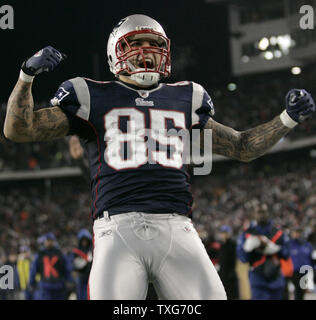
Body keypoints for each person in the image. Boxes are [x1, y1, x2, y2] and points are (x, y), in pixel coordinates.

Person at [3, 14, 315, 300]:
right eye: (135, 44)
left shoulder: (186, 97)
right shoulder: (89, 94)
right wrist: (27, 75)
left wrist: (287, 118)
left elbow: (242, 146)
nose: (146, 52)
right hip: (117, 229)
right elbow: (19, 129)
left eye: (154, 45)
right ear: (115, 52)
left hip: (177, 227)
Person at [237, 203, 290, 300]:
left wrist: (275, 249)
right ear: (254, 214)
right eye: (259, 212)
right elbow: (242, 258)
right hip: (258, 280)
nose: (261, 215)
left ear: (268, 213)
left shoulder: (278, 233)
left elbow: (287, 254)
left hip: (276, 279)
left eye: (263, 212)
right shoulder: (247, 234)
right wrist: (247, 248)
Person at [28, 233, 73, 300]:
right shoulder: (41, 254)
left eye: (51, 240)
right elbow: (33, 269)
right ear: (45, 241)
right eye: (48, 240)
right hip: (46, 286)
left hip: (58, 286)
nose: (49, 242)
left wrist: (69, 281)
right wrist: (32, 282)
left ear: (54, 241)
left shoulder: (59, 253)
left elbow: (67, 268)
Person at [289, 228, 315, 300]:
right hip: (293, 271)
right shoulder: (290, 245)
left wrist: (313, 269)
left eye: (298, 233)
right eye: (295, 233)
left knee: (300, 291)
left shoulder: (307, 245)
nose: (297, 235)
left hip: (304, 271)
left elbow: (311, 258)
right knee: (297, 290)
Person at [217, 225, 239, 300]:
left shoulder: (232, 244)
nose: (223, 234)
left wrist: (232, 272)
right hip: (223, 274)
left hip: (230, 275)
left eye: (225, 232)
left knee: (232, 295)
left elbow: (233, 260)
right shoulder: (222, 245)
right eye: (222, 233)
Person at [71, 229, 93, 300]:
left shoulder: (92, 251)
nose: (84, 242)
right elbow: (74, 265)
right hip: (81, 278)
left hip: (91, 277)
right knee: (81, 296)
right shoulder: (76, 252)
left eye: (85, 240)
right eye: (82, 240)